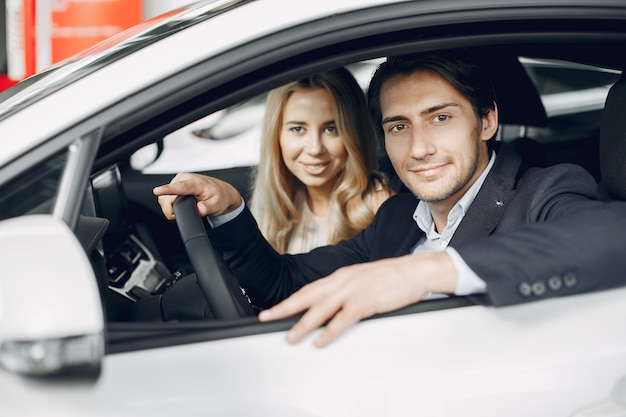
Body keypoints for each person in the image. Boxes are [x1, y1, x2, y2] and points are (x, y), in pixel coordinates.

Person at [153, 48, 626, 348]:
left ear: (486, 121)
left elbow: (613, 233)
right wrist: (232, 208)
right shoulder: (399, 216)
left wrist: (423, 272)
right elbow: (283, 284)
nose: (418, 148)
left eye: (440, 118)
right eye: (399, 126)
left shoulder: (545, 188)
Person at [164, 68, 393, 255]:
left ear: (354, 134)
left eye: (331, 129)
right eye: (297, 129)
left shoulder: (380, 206)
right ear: (277, 136)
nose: (314, 148)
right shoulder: (278, 202)